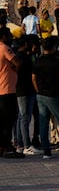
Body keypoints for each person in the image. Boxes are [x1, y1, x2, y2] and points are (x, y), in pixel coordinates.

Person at [0, 26, 22, 158]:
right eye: (8, 34)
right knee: (8, 120)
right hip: (7, 89)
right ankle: (7, 147)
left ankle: (2, 146)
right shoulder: (4, 48)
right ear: (3, 36)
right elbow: (18, 63)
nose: (10, 36)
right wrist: (14, 69)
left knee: (2, 121)